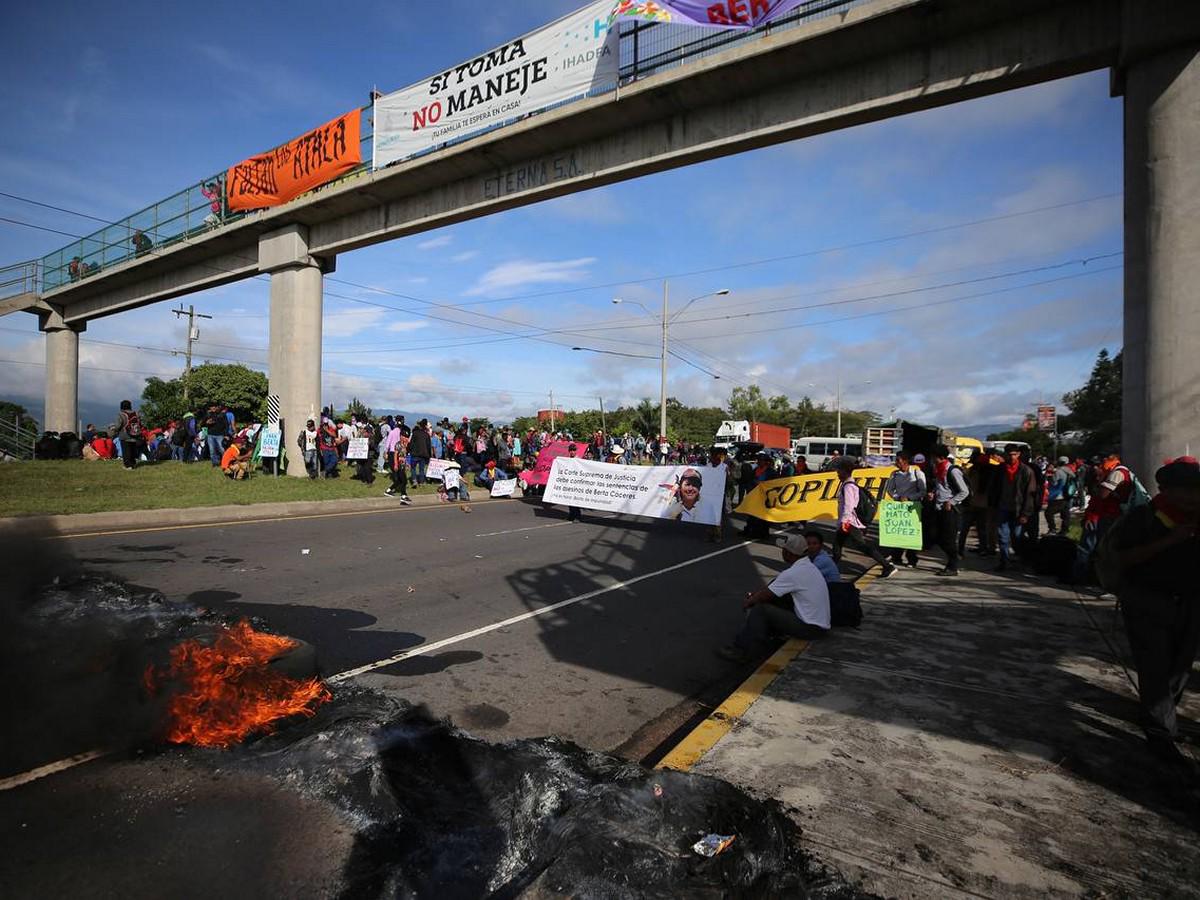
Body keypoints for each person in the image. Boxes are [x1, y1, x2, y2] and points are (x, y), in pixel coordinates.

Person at [1107, 459, 1200, 768]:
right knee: (1155, 666)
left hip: (1189, 603)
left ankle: (1159, 714)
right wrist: (1170, 541)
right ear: (1164, 490)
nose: (1191, 498)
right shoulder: (1143, 518)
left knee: (1180, 666)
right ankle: (1161, 735)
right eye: (1184, 491)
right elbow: (1125, 559)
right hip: (1147, 601)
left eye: (1195, 491)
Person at [717, 534, 831, 661]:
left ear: (788, 553)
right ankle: (769, 637)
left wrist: (749, 601)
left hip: (810, 628)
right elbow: (771, 590)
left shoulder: (793, 573)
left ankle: (741, 650)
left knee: (761, 610)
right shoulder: (808, 567)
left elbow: (764, 595)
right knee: (775, 600)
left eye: (784, 549)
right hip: (820, 625)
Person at [1074, 450, 1137, 582]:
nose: (1098, 466)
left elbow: (1103, 494)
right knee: (1098, 547)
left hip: (1105, 515)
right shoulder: (1117, 472)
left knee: (1093, 547)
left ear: (1112, 459)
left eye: (1102, 462)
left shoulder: (1117, 473)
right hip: (1104, 514)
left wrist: (1098, 485)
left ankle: (1082, 575)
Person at [831, 458, 896, 578]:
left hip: (850, 523)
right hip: (848, 522)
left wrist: (844, 522)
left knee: (862, 546)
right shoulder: (849, 485)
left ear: (845, 471)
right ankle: (830, 570)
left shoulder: (848, 487)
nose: (837, 474)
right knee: (837, 546)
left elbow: (849, 506)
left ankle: (887, 566)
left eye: (839, 471)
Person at [995, 444, 1037, 572]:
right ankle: (1004, 560)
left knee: (1017, 536)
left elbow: (1030, 494)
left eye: (1015, 454)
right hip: (1003, 507)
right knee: (1002, 536)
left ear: (1018, 455)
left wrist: (1025, 513)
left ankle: (1021, 559)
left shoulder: (1026, 471)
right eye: (1010, 454)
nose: (1012, 457)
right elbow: (994, 488)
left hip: (1019, 509)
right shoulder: (1001, 469)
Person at [930, 444, 970, 576]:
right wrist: (933, 494)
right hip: (938, 508)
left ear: (940, 457)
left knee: (948, 539)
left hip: (950, 511)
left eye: (934, 457)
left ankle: (953, 566)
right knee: (935, 536)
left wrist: (951, 502)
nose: (932, 459)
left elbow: (964, 491)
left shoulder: (952, 471)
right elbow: (941, 487)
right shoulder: (938, 470)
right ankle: (953, 559)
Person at [883, 451, 925, 568]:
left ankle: (912, 559)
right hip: (899, 506)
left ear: (905, 461)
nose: (896, 463)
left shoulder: (917, 473)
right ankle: (897, 557)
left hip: (913, 507)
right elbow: (890, 490)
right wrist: (897, 497)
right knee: (899, 532)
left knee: (911, 534)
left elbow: (922, 491)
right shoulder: (894, 474)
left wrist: (909, 498)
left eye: (898, 461)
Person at [384, 429, 411, 503]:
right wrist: (395, 464)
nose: (406, 438)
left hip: (402, 465)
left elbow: (406, 455)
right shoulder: (398, 444)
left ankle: (388, 491)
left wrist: (407, 463)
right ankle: (403, 496)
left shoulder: (406, 445)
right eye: (404, 436)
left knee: (399, 481)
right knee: (404, 480)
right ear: (401, 436)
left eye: (407, 437)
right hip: (398, 464)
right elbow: (395, 455)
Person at [116, 399, 143, 470]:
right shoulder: (136, 413)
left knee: (126, 451)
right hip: (135, 434)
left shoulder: (121, 414)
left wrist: (115, 429)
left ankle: (128, 465)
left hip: (125, 435)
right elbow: (140, 423)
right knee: (132, 450)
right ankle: (133, 463)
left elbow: (118, 425)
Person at [410, 419, 432, 484]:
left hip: (415, 453)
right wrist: (429, 455)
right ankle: (421, 481)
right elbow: (428, 446)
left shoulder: (415, 433)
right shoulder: (426, 435)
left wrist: (410, 451)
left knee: (413, 467)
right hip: (424, 454)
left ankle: (414, 480)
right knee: (421, 469)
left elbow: (411, 443)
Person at [564, 443, 582, 522]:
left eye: (573, 450)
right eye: (571, 450)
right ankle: (571, 514)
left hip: (576, 482)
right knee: (569, 499)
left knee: (575, 500)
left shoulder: (578, 460)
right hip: (569, 482)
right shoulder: (567, 460)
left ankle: (577, 516)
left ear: (576, 451)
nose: (572, 452)